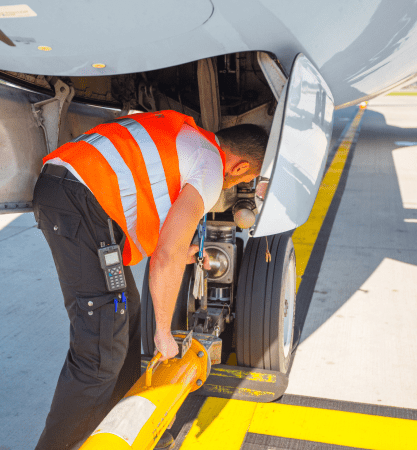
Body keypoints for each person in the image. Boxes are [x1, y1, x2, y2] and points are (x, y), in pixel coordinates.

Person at [31, 110, 268, 450]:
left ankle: (117, 429)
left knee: (124, 315)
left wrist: (174, 254)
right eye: (247, 178)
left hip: (77, 198)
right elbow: (166, 257)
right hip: (78, 201)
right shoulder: (211, 167)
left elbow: (158, 223)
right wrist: (163, 333)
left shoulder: (190, 141)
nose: (241, 185)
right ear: (241, 167)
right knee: (100, 344)